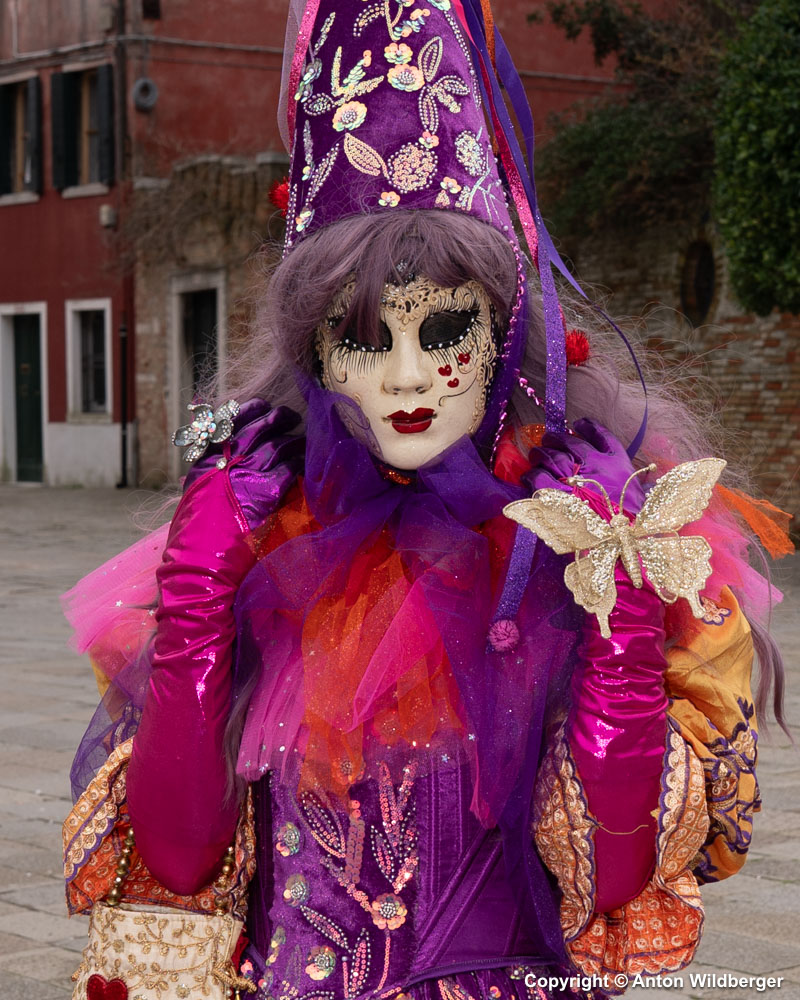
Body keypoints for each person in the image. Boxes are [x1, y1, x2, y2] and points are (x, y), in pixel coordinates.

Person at [64, 2, 790, 998]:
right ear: (315, 352)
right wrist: (198, 606)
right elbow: (178, 863)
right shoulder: (263, 541)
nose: (406, 377)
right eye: (363, 337)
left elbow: (615, 882)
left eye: (442, 330)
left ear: (502, 333)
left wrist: (614, 619)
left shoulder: (599, 532)